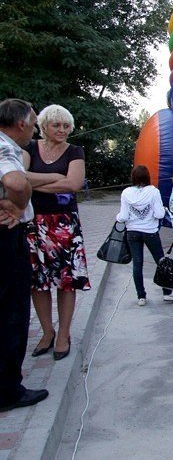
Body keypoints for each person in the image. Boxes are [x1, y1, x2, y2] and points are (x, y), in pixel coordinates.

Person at [25, 104, 90, 361]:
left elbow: (73, 184)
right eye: (57, 125)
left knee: (66, 281)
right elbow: (18, 176)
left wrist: (34, 182)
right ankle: (47, 332)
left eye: (66, 125)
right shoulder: (30, 147)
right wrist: (54, 177)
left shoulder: (75, 151)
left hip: (65, 224)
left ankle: (63, 334)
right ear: (45, 126)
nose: (62, 130)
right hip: (34, 222)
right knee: (38, 282)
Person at [0, 98, 48, 412]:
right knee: (12, 312)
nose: (34, 128)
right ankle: (8, 391)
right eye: (33, 122)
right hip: (6, 239)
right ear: (21, 123)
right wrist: (18, 204)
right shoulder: (6, 148)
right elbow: (16, 181)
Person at [117, 165, 173, 305]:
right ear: (147, 176)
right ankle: (167, 293)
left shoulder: (126, 192)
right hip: (150, 232)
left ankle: (141, 296)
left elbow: (123, 216)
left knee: (137, 263)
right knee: (160, 261)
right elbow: (159, 214)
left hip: (132, 232)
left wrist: (118, 217)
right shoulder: (153, 192)